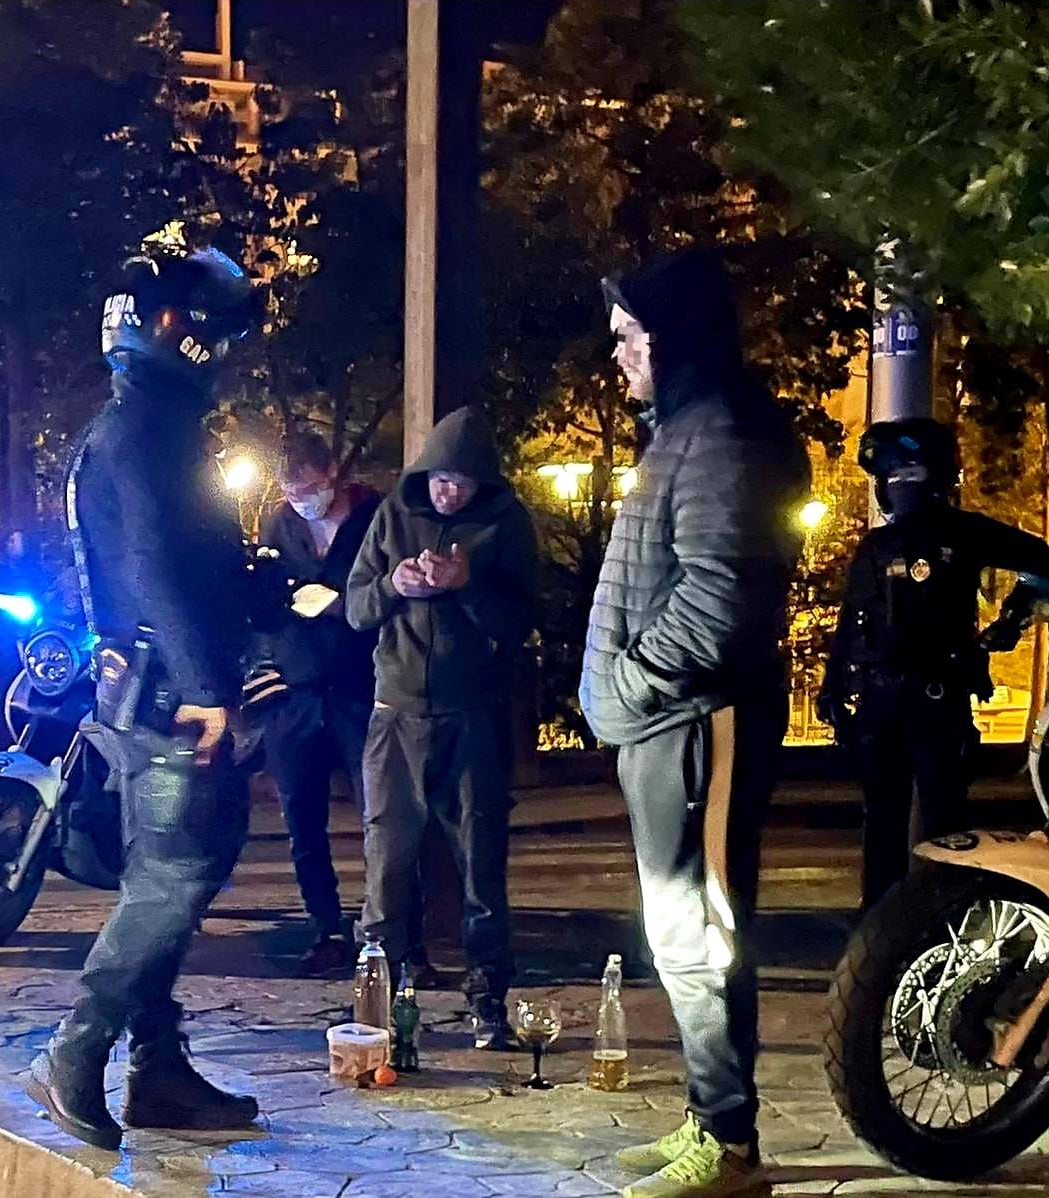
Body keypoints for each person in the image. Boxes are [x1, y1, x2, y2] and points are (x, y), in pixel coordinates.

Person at [581, 249, 809, 1198]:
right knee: (682, 934)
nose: (619, 356)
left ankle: (730, 1145)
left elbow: (719, 598)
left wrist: (630, 689)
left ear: (674, 338)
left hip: (694, 723)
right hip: (667, 726)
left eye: (630, 337)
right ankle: (710, 1118)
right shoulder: (685, 428)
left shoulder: (719, 432)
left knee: (702, 930)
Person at [26, 246, 261, 1150]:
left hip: (144, 686)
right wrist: (209, 686)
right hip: (170, 693)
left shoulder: (127, 425)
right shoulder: (145, 433)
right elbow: (155, 564)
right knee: (174, 878)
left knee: (166, 877)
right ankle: (75, 1052)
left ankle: (157, 1070)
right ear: (176, 329)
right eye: (215, 329)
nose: (225, 347)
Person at [346, 406, 537, 1050]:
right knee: (387, 859)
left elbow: (520, 620)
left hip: (470, 715)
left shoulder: (505, 524)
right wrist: (396, 586)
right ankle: (381, 1002)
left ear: (480, 482)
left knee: (482, 859)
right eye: (437, 478)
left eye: (459, 482)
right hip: (394, 713)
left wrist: (466, 583)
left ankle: (488, 1000)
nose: (445, 491)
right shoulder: (394, 515)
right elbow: (354, 607)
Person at [817, 417, 1049, 908]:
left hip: (933, 695)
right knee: (890, 817)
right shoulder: (878, 545)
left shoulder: (959, 535)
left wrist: (1011, 621)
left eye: (884, 477)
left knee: (940, 819)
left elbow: (1045, 563)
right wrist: (833, 686)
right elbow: (853, 621)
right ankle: (884, 923)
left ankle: (939, 915)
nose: (882, 490)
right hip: (889, 699)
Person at [253, 431, 381, 975]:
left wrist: (337, 607)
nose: (300, 499)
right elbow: (266, 597)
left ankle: (388, 929)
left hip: (360, 685)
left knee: (382, 814)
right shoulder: (280, 524)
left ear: (332, 475)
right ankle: (325, 927)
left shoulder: (373, 516)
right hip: (298, 691)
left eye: (308, 487)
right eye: (290, 490)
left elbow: (386, 591)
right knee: (302, 819)